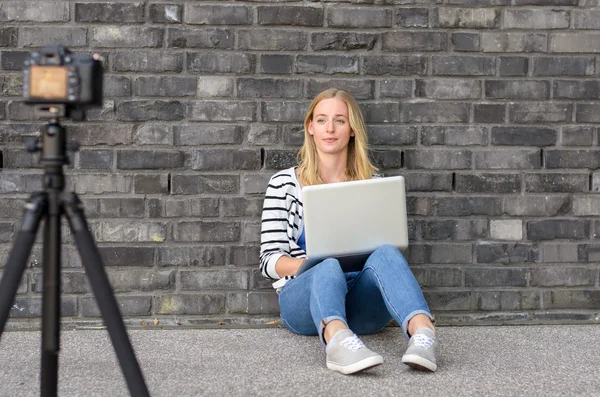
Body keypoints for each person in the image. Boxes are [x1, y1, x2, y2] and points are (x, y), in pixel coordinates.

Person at [259, 88, 437, 375]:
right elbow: (269, 261)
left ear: (352, 129)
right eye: (321, 120)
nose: (330, 128)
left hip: (362, 304)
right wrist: (309, 266)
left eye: (340, 120)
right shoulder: (284, 184)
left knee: (387, 252)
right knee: (327, 265)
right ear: (310, 127)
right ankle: (338, 340)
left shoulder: (372, 184)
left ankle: (423, 334)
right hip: (305, 301)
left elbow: (383, 256)